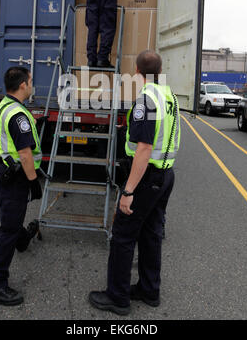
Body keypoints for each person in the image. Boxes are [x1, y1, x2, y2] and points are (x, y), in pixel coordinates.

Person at [89, 50, 181, 315]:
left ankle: (117, 297)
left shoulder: (146, 100)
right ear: (159, 70)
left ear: (138, 72)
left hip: (147, 177)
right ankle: (149, 290)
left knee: (123, 235)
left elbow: (143, 148)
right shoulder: (169, 95)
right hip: (165, 176)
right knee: (151, 235)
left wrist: (128, 191)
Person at [0, 67, 43, 306]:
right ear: (23, 85)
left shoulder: (6, 105)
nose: (31, 84)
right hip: (15, 177)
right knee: (8, 228)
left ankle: (23, 238)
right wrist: (33, 182)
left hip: (3, 172)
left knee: (12, 219)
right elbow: (26, 155)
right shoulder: (18, 115)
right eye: (30, 81)